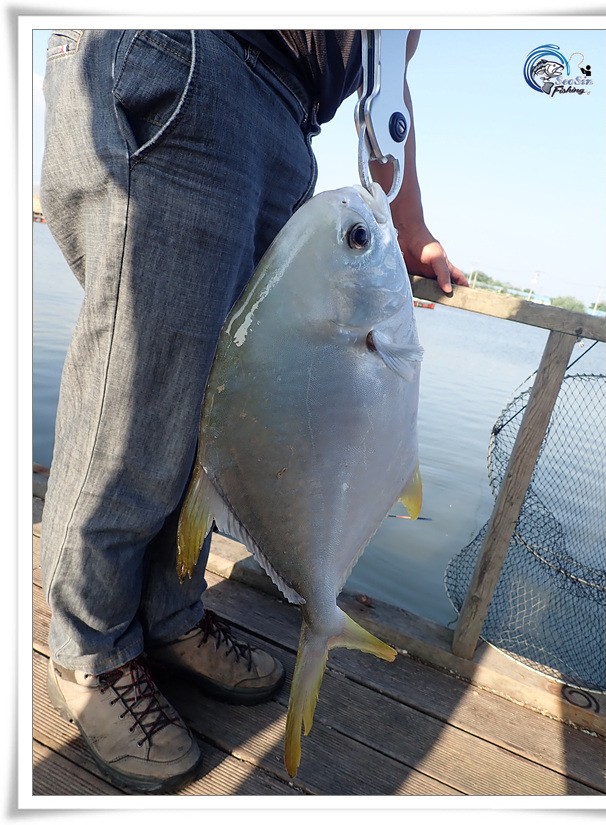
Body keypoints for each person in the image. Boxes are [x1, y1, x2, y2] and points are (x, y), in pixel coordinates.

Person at [39, 29, 467, 794]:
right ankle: (90, 651)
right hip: (200, 57)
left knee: (218, 409)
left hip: (288, 118)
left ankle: (169, 613)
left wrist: (406, 223)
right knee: (138, 397)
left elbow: (388, 59)